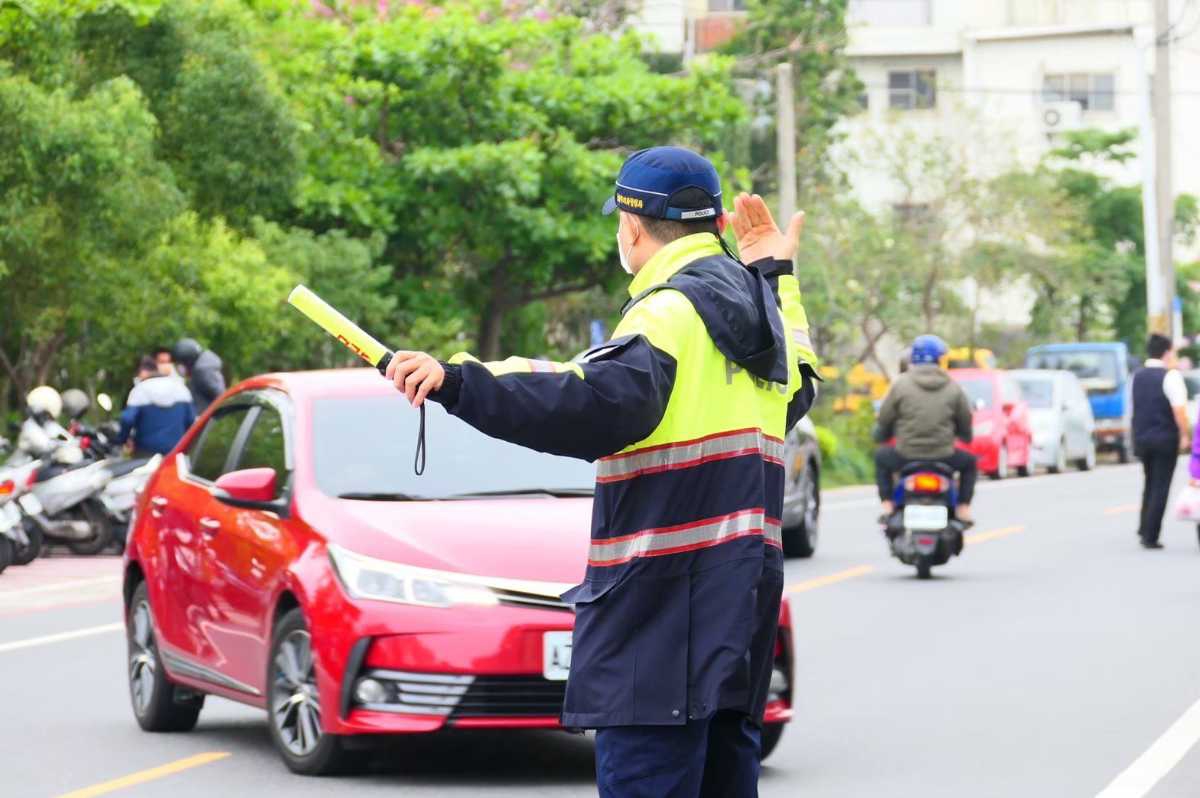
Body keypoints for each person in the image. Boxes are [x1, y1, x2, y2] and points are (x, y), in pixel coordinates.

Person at [386, 147, 819, 797]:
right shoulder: (765, 315)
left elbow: (586, 402)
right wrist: (778, 274)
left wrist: (457, 381)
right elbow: (801, 389)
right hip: (738, 622)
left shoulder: (669, 313)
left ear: (633, 227)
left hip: (660, 624)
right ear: (719, 226)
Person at [874, 334, 977, 523]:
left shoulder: (900, 384)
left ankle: (888, 506)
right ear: (939, 359)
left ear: (913, 358)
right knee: (969, 463)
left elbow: (884, 418)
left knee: (881, 458)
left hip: (905, 455)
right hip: (944, 455)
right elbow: (965, 421)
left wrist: (882, 434)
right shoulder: (954, 387)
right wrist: (965, 436)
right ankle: (963, 508)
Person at [1131, 333, 1190, 549]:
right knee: (1160, 486)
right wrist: (1185, 435)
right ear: (1167, 352)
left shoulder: (1137, 376)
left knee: (1148, 483)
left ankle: (1143, 527)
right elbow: (1179, 411)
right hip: (1165, 438)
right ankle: (1151, 535)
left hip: (1142, 437)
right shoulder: (1170, 376)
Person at [116, 356, 196, 458]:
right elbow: (191, 420)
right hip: (175, 452)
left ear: (140, 373)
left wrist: (122, 439)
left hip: (145, 452)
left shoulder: (140, 389)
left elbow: (127, 419)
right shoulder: (181, 388)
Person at [172, 338, 226, 413]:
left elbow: (220, 396)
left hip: (206, 419)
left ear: (188, 361)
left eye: (180, 364)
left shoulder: (202, 372)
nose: (179, 368)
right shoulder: (201, 370)